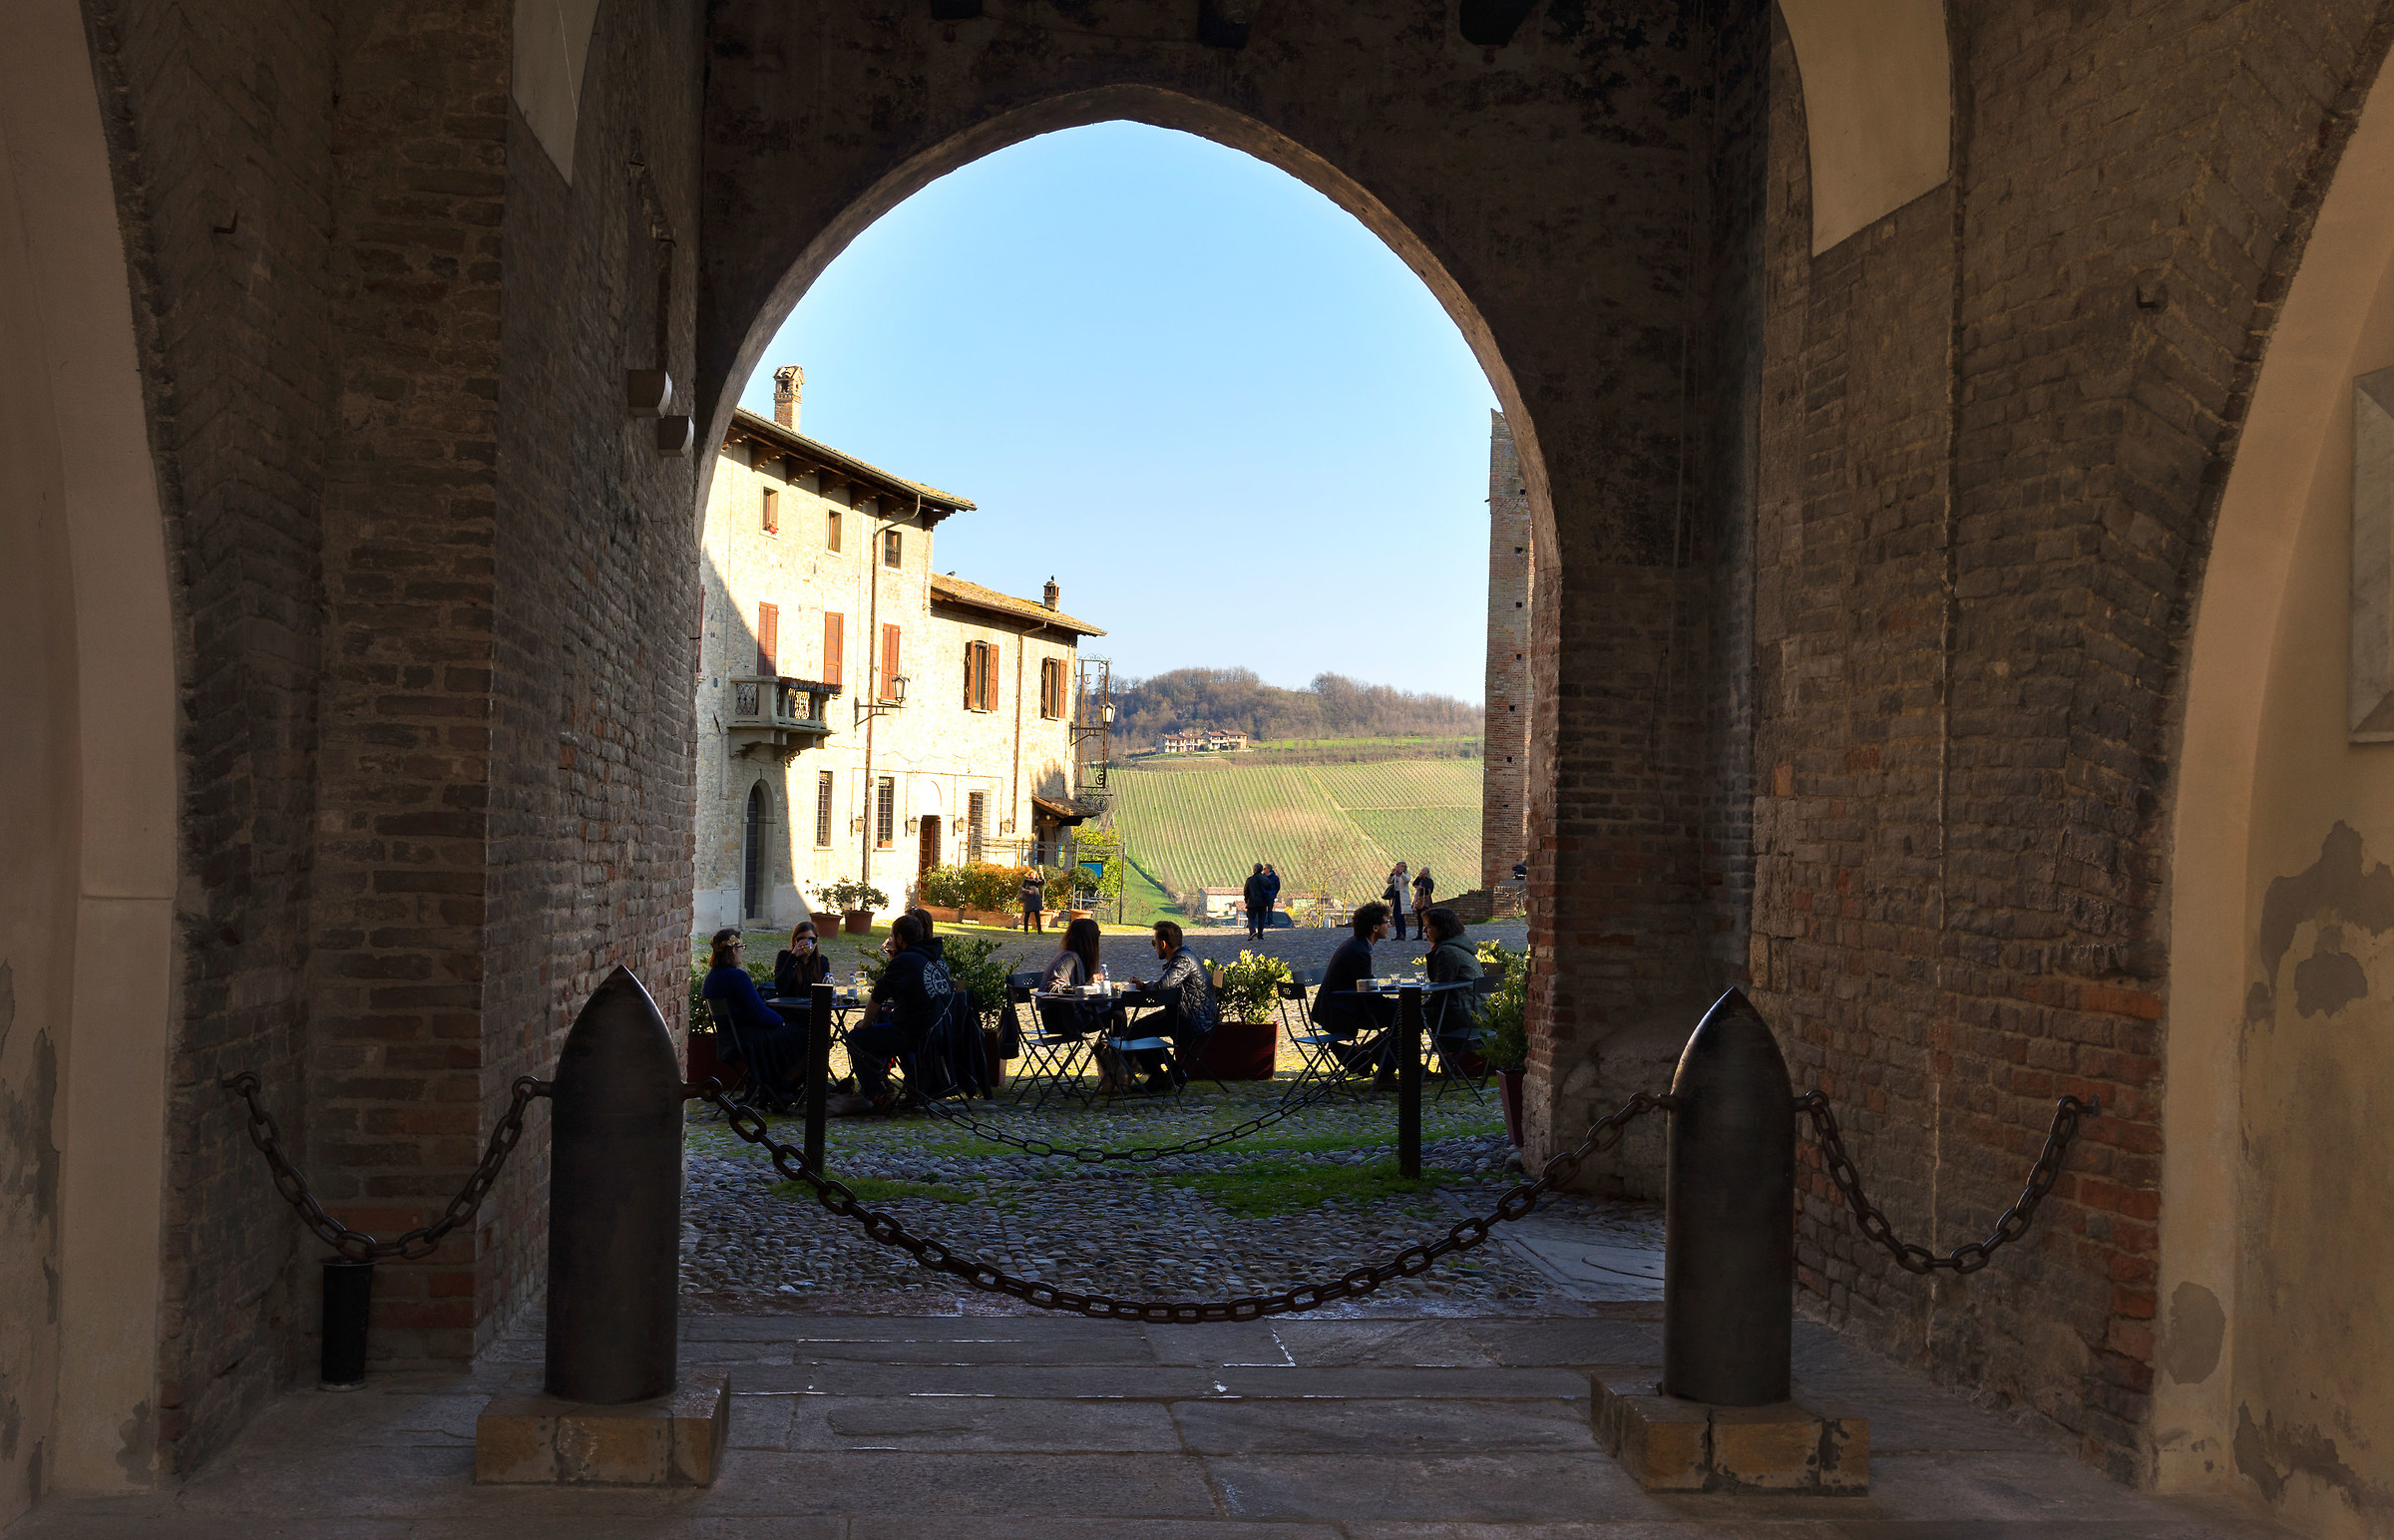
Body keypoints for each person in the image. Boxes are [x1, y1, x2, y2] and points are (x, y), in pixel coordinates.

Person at [846, 912, 952, 1107]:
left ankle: (876, 1093)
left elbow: (877, 997)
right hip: (941, 1032)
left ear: (900, 938)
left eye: (892, 936)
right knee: (886, 1019)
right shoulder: (938, 960)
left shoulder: (905, 961)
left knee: (855, 1038)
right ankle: (915, 1087)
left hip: (915, 1035)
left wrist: (865, 1023)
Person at [699, 928, 811, 1108]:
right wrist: (780, 1021)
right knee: (806, 1037)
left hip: (730, 1040)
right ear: (733, 950)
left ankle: (775, 1089)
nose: (742, 952)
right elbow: (759, 1012)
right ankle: (783, 1086)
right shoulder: (737, 977)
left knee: (791, 1036)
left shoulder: (711, 978)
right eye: (742, 947)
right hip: (749, 1040)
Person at [1127, 919, 1217, 1094]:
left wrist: (1144, 988)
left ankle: (1161, 1077)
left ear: (1162, 944)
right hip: (1188, 1013)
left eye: (1154, 943)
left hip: (1193, 1019)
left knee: (1135, 1032)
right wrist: (1144, 986)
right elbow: (1165, 985)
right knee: (1138, 1029)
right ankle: (1174, 1071)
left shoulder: (1183, 960)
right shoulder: (1183, 956)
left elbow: (1163, 988)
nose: (1154, 947)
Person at [1312, 901, 1396, 1074]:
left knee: (1405, 1013)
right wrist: (1392, 1001)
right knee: (1409, 1014)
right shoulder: (1358, 951)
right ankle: (1378, 1066)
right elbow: (1368, 990)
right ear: (1375, 928)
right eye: (1387, 922)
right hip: (1341, 1013)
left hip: (1338, 1007)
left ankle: (1364, 1054)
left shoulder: (1355, 944)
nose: (1389, 925)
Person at [1419, 906, 1482, 1063]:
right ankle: (1369, 1055)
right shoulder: (1457, 946)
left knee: (1406, 1016)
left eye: (1428, 926)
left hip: (1461, 1012)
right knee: (1405, 1016)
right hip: (1471, 1008)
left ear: (1442, 928)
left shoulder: (1448, 951)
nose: (1424, 930)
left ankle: (1370, 1056)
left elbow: (1440, 990)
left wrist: (1421, 1004)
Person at [773, 919, 832, 999]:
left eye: (811, 939)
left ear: (816, 941)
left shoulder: (822, 961)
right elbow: (780, 987)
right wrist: (793, 957)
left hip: (812, 1005)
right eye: (801, 939)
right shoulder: (785, 956)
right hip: (789, 1004)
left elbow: (825, 990)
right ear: (795, 941)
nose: (807, 943)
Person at [1385, 862, 1411, 941]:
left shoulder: (1406, 874)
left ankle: (1403, 933)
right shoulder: (1395, 875)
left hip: (1402, 897)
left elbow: (1406, 880)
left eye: (1401, 867)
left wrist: (1401, 873)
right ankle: (1398, 933)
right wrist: (1392, 874)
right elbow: (1388, 881)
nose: (1399, 868)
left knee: (1400, 916)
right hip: (1395, 896)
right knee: (1395, 916)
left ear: (1404, 867)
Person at [1242, 863, 1269, 941]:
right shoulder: (1265, 879)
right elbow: (1269, 889)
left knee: (1251, 918)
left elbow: (1246, 891)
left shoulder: (1250, 880)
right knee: (1261, 919)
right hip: (1263, 902)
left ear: (1254, 870)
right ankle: (1260, 935)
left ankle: (1252, 932)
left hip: (1252, 902)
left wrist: (1246, 900)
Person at [1019, 868, 1047, 934]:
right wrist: (1028, 891)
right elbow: (1022, 888)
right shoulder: (1026, 880)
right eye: (1032, 874)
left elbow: (1043, 883)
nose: (1034, 875)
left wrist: (1042, 875)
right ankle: (1026, 930)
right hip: (1029, 900)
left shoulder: (1036, 881)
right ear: (1030, 874)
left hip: (1036, 899)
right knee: (1027, 915)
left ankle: (1039, 930)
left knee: (1037, 915)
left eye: (1035, 874)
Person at [1261, 864, 1282, 931]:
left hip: (1270, 896)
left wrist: (1273, 894)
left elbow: (1277, 887)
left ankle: (1270, 923)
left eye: (1265, 869)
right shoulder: (1262, 877)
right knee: (1262, 910)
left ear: (1269, 869)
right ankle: (1262, 922)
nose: (1263, 870)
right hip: (1263, 896)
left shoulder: (1275, 878)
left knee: (1270, 910)